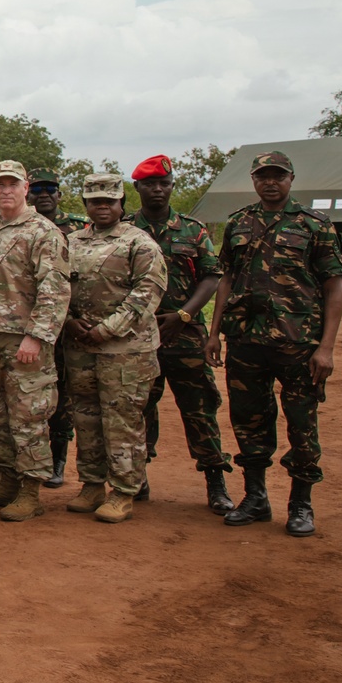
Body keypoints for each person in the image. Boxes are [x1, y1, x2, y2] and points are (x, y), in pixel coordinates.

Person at [205, 151, 342, 536]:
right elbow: (226, 279)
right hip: (246, 341)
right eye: (263, 176)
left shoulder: (315, 225)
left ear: (291, 179)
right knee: (248, 421)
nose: (271, 182)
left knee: (302, 425)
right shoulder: (238, 223)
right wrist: (214, 332)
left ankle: (301, 504)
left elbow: (334, 287)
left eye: (278, 176)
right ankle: (256, 498)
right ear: (253, 179)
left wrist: (327, 348)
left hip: (299, 344)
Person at [0, 161, 70, 522]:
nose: (6, 191)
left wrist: (36, 337)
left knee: (27, 418)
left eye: (13, 184)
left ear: (25, 189)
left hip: (25, 343)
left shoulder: (43, 232)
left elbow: (54, 290)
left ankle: (30, 489)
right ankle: (6, 478)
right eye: (0, 185)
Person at [129, 155, 231, 515]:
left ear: (172, 187)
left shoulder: (193, 230)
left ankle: (215, 481)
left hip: (186, 336)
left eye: (164, 184)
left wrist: (184, 314)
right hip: (138, 337)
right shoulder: (126, 230)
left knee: (200, 410)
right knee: (137, 410)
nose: (158, 190)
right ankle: (136, 478)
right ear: (137, 187)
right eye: (150, 184)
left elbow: (211, 276)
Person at [62, 174, 167, 524]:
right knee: (86, 418)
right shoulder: (71, 241)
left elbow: (147, 294)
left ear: (122, 203)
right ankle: (92, 484)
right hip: (80, 346)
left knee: (122, 421)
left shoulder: (140, 243)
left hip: (126, 351)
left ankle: (123, 490)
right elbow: (56, 286)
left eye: (109, 200)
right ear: (85, 205)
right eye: (95, 201)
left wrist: (107, 329)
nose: (102, 206)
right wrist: (68, 321)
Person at [27, 167, 86, 487]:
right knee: (30, 396)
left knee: (63, 396)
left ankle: (58, 459)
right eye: (37, 189)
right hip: (28, 325)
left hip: (70, 327)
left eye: (50, 188)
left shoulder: (79, 226)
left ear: (60, 194)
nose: (44, 194)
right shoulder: (18, 225)